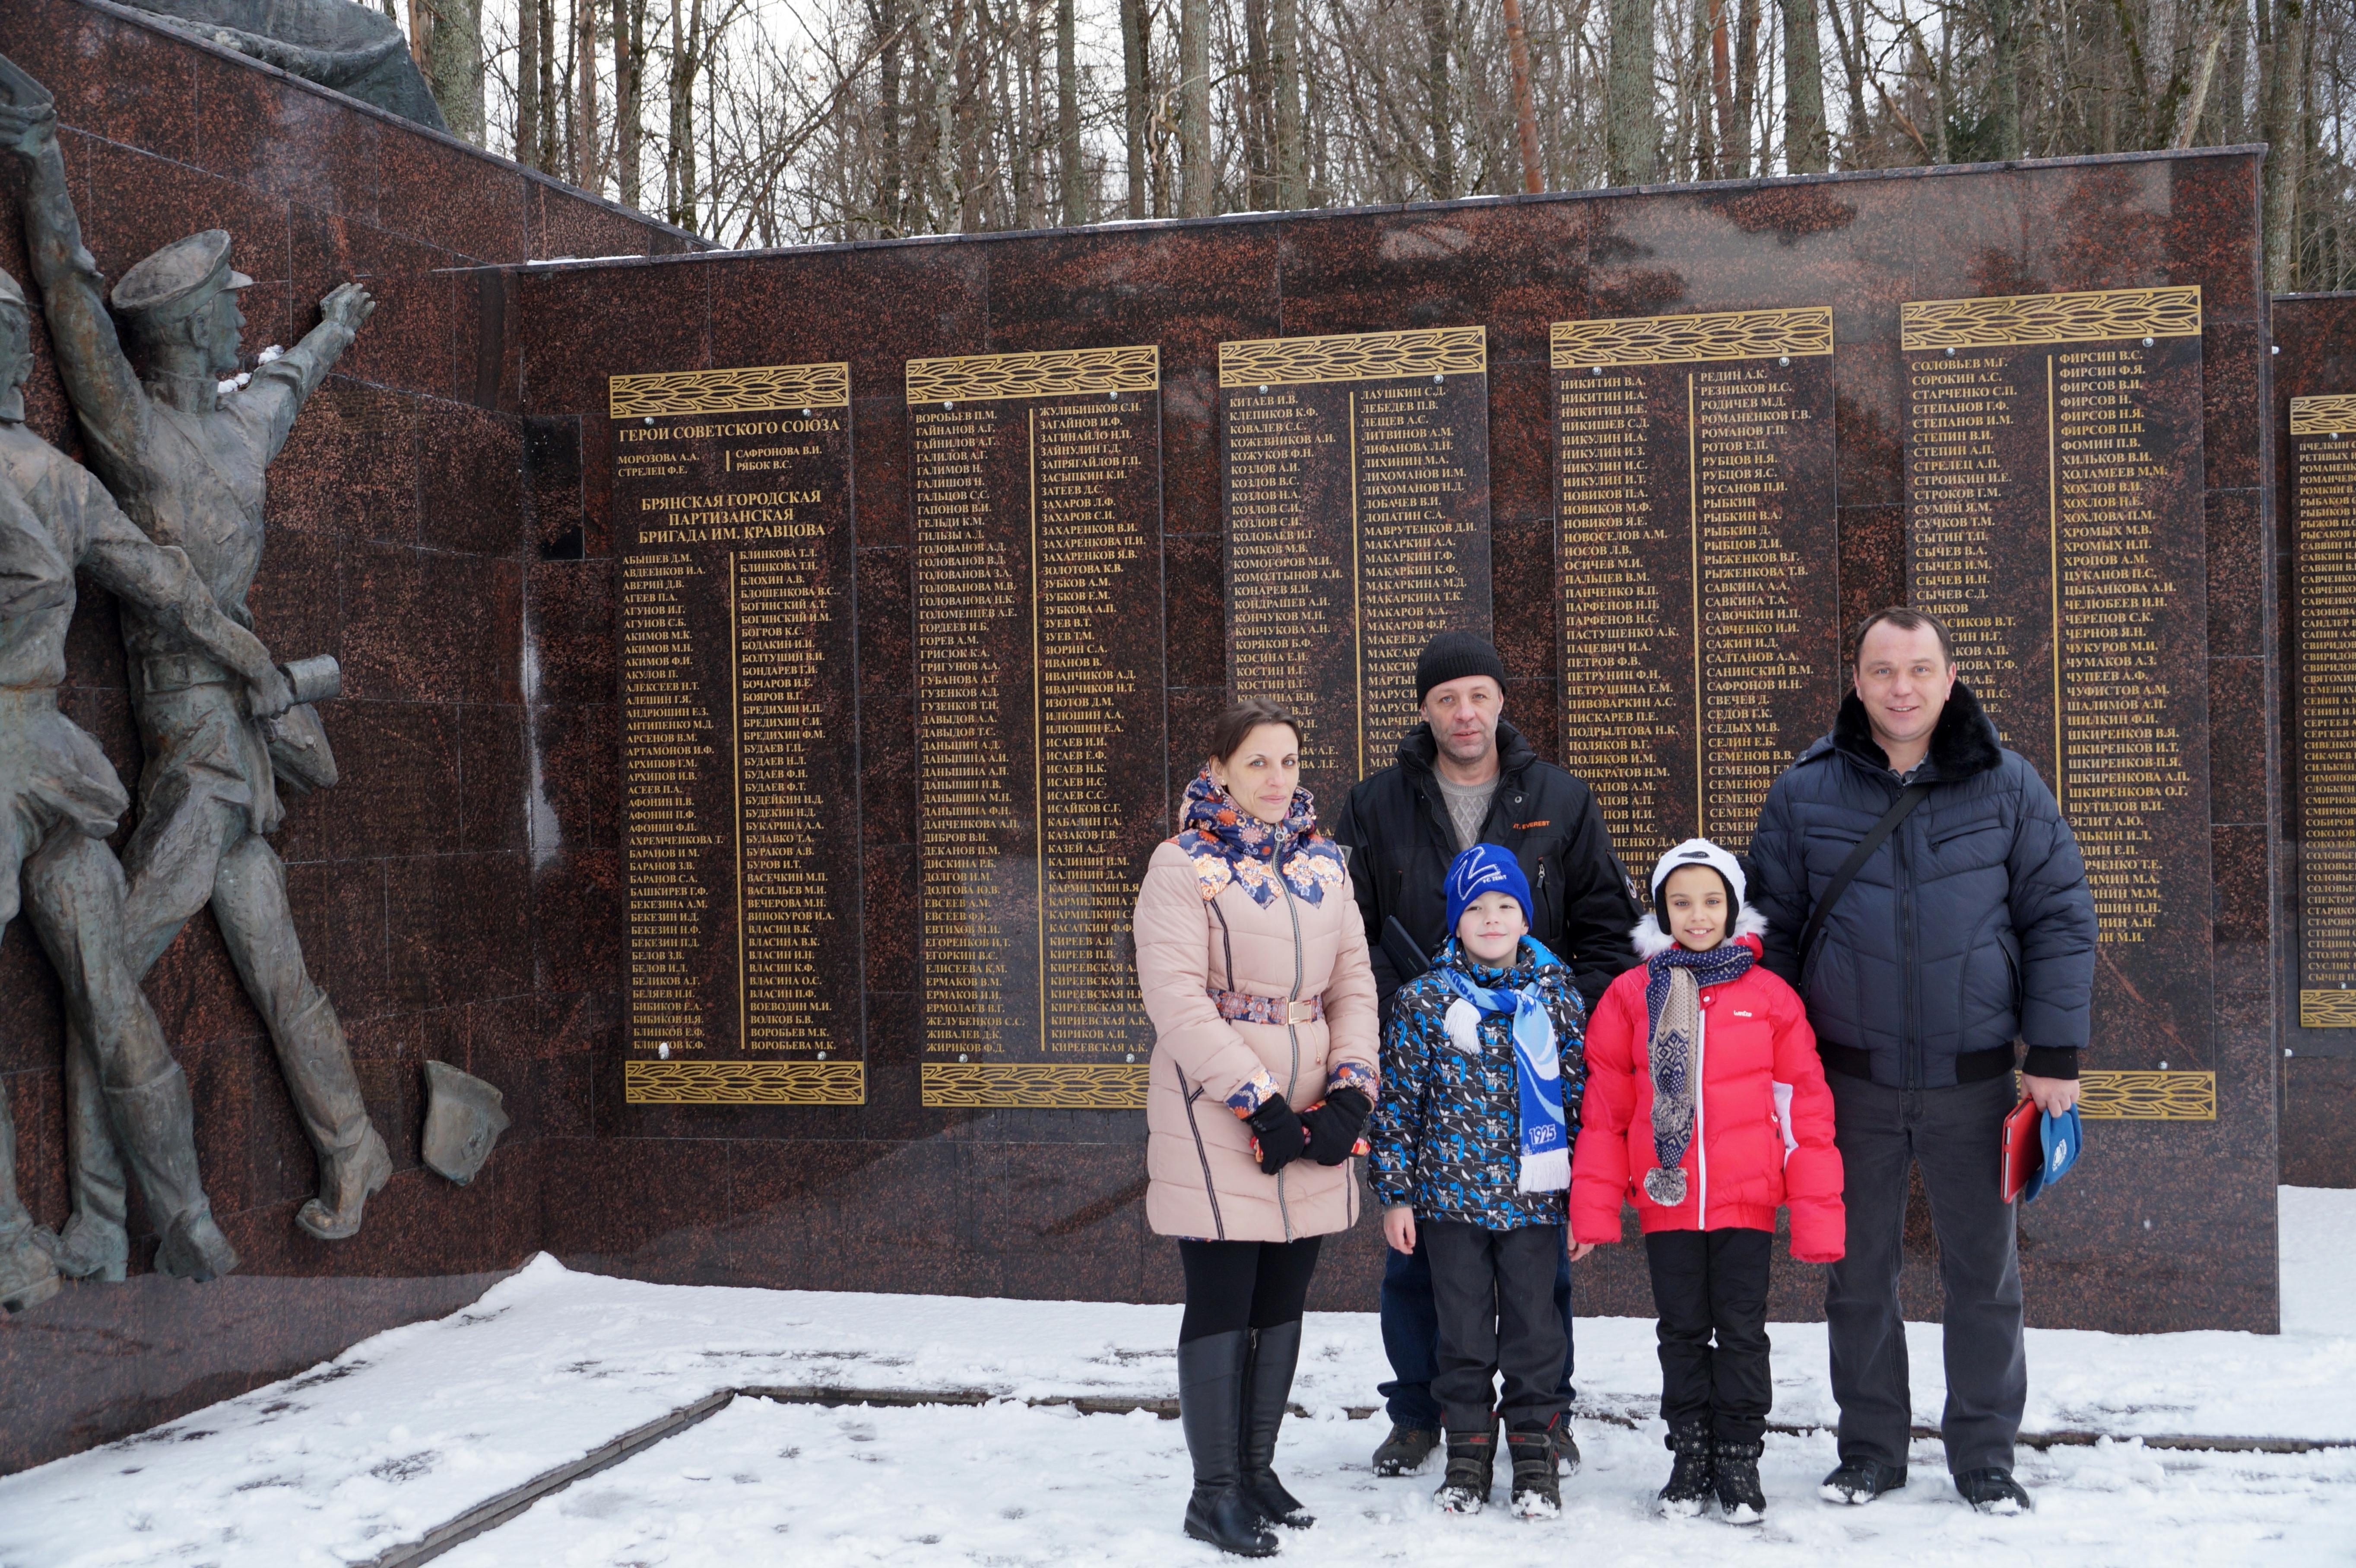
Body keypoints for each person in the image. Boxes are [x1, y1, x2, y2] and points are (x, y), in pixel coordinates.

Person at [0, 82, 390, 1277]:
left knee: (107, 972)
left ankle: (106, 1221)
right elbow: (70, 294)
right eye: (228, 309)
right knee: (273, 965)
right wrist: (40, 155)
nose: (243, 325)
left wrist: (334, 331)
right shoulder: (137, 434)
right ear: (183, 334)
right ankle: (352, 1143)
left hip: (212, 756)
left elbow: (289, 380)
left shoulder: (231, 432)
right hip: (212, 740)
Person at [1749, 607, 2096, 1515]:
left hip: (1974, 1080)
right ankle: (1870, 1448)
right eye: (1882, 670)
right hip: (1846, 1083)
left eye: (1919, 669)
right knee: (1857, 1274)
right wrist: (1772, 1063)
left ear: (1949, 680)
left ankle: (1984, 1454)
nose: (1901, 687)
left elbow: (2059, 916)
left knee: (1984, 1277)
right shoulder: (1804, 792)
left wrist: (2053, 1051)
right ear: (1857, 682)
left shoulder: (2009, 784)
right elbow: (1773, 936)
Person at [0, 260, 295, 1303]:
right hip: (60, 767)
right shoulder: (60, 479)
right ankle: (184, 1217)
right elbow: (167, 586)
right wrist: (250, 655)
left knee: (112, 987)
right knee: (110, 993)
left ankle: (14, 1243)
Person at [1334, 629, 1639, 1477]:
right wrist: (1409, 1019)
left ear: (1502, 701)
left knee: (1541, 1277)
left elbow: (1606, 933)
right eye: (1446, 699)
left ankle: (1545, 1418)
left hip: (1532, 1078)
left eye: (1478, 695)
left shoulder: (1561, 799)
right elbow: (1349, 938)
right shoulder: (1375, 804)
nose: (1464, 713)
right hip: (1431, 1068)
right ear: (1424, 709)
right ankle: (1419, 1412)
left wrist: (1559, 1017)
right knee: (1419, 1266)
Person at [1132, 699, 1380, 1558]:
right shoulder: (1182, 865)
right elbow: (1175, 997)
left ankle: (1255, 1468)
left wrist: (1351, 1092)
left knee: (1282, 1294)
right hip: (1219, 1111)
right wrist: (1258, 1101)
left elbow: (1354, 983)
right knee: (1225, 1292)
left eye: (1288, 762)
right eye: (1257, 763)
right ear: (1220, 770)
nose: (1277, 780)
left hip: (1313, 1110)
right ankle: (1214, 1493)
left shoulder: (1325, 863)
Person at [1571, 839, 1843, 1524]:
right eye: (1682, 902)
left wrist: (1816, 1212)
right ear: (1662, 912)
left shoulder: (1771, 997)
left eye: (1712, 901)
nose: (1698, 915)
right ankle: (1690, 1453)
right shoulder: (1632, 996)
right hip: (1667, 1199)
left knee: (1743, 1333)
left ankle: (1740, 1456)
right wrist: (1594, 1209)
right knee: (1682, 1332)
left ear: (1733, 908)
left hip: (1746, 1201)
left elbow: (1804, 1109)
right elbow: (1606, 1112)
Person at [1368, 844, 1587, 1520]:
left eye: (1505, 906)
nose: (1492, 920)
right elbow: (1399, 1105)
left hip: (1533, 1203)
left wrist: (1585, 1199)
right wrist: (1397, 1195)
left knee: (1534, 1333)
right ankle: (1467, 1455)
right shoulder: (1426, 1001)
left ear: (1526, 919)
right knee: (1461, 1336)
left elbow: (1581, 1103)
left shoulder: (1556, 998)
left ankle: (1534, 1454)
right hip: (1451, 1203)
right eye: (1477, 909)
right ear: (1456, 922)